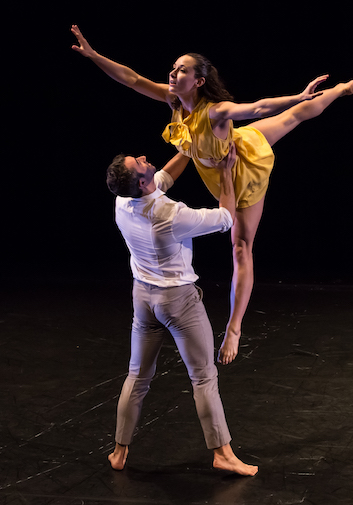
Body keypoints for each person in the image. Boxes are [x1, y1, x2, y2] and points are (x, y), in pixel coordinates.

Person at [72, 24, 353, 365]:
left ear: (198, 80)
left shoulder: (215, 111)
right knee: (292, 119)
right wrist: (94, 56)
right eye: (174, 66)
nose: (173, 72)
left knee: (242, 246)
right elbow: (132, 79)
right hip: (225, 161)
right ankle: (331, 93)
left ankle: (234, 327)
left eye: (182, 69)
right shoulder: (173, 101)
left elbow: (257, 108)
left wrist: (298, 95)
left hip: (242, 169)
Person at [105, 142, 257, 476]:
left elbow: (165, 178)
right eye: (140, 163)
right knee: (203, 377)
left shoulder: (123, 202)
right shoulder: (169, 215)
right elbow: (226, 218)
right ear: (142, 183)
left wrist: (188, 149)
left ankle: (119, 451)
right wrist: (227, 171)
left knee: (137, 375)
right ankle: (223, 454)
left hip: (143, 299)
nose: (145, 158)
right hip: (178, 302)